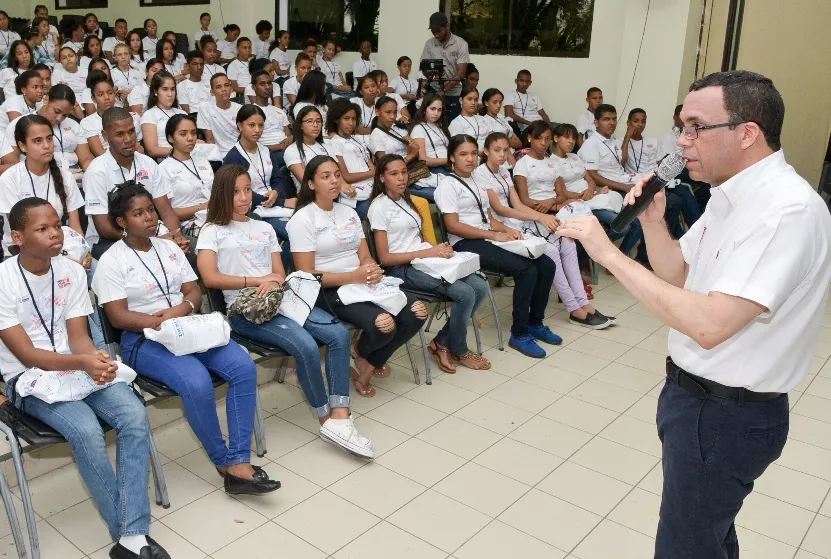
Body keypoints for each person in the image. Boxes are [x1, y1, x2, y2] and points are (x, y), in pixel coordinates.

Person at [558, 69, 831, 559]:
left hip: (728, 412)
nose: (681, 142)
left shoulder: (785, 211)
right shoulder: (729, 196)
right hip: (694, 400)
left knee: (685, 545)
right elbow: (681, 275)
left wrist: (609, 255)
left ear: (746, 133)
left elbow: (710, 324)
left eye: (695, 127)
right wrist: (653, 221)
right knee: (706, 535)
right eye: (681, 127)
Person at [0, 198, 172, 559]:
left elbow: (78, 334)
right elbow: (27, 355)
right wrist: (83, 361)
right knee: (86, 431)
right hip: (29, 377)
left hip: (76, 365)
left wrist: (93, 356)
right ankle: (133, 537)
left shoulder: (72, 271)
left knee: (134, 416)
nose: (55, 234)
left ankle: (130, 538)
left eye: (57, 225)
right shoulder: (2, 280)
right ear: (17, 237)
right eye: (42, 229)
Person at [93, 183, 280, 496]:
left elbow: (194, 291)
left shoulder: (168, 248)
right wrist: (158, 322)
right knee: (196, 383)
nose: (150, 217)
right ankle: (226, 463)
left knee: (242, 367)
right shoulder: (111, 261)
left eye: (151, 209)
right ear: (122, 222)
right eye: (138, 213)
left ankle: (237, 458)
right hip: (144, 339)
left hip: (188, 328)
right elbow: (117, 316)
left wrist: (180, 310)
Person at [197, 164, 373, 455]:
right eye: (235, 192)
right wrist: (259, 280)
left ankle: (341, 415)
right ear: (221, 195)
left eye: (246, 189)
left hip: (280, 298)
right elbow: (210, 278)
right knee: (304, 345)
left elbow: (279, 273)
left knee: (339, 334)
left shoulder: (264, 228)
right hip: (246, 309)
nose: (243, 197)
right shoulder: (212, 231)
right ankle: (325, 418)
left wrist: (272, 280)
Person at [288, 155, 428, 396]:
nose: (334, 181)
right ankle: (364, 369)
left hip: (360, 280)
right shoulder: (303, 218)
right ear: (310, 184)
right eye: (325, 177)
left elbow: (364, 255)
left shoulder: (349, 213)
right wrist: (355, 275)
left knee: (417, 312)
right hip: (326, 289)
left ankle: (365, 359)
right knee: (384, 325)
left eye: (337, 175)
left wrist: (371, 269)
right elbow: (307, 274)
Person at [435, 134, 561, 358]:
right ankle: (519, 334)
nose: (470, 159)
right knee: (527, 270)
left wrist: (505, 230)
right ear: (452, 157)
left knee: (547, 264)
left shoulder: (478, 180)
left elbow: (489, 216)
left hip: (488, 235)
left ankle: (535, 322)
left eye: (473, 153)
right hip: (465, 243)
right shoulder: (447, 185)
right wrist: (493, 234)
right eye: (463, 154)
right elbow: (453, 226)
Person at [369, 154, 492, 372]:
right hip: (400, 269)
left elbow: (417, 239)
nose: (401, 178)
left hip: (423, 261)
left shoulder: (407, 200)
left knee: (481, 287)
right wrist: (429, 253)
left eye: (404, 172)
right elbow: (384, 258)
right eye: (394, 174)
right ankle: (459, 350)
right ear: (381, 178)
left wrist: (437, 251)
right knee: (465, 293)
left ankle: (441, 342)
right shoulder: (379, 207)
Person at [481, 132, 612, 328]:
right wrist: (541, 216)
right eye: (496, 150)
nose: (502, 155)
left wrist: (543, 217)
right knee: (549, 250)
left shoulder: (503, 172)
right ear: (485, 151)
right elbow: (501, 209)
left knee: (566, 242)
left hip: (519, 222)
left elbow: (517, 206)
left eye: (506, 150)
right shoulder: (481, 174)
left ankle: (583, 302)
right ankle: (573, 308)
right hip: (503, 227)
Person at [83, 107, 187, 256]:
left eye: (131, 131)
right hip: (110, 241)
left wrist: (177, 236)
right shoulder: (97, 171)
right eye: (119, 134)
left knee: (192, 253)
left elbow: (166, 211)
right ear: (105, 136)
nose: (128, 139)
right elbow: (104, 228)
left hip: (150, 235)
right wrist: (152, 241)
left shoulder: (148, 163)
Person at [550, 122, 643, 262]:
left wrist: (592, 190)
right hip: (579, 203)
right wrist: (587, 195)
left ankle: (619, 257)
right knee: (622, 227)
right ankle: (595, 250)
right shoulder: (552, 162)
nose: (571, 141)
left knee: (637, 223)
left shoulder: (575, 157)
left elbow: (590, 179)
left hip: (594, 196)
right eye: (566, 137)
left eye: (574, 138)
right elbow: (562, 193)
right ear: (556, 138)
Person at [0, 114, 85, 258]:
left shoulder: (65, 177)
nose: (46, 146)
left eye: (49, 138)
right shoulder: (10, 178)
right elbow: (20, 235)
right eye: (37, 141)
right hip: (22, 254)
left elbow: (75, 228)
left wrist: (82, 253)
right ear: (22, 146)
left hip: (61, 250)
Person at [625, 108, 701, 239]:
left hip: (659, 179)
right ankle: (677, 237)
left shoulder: (652, 141)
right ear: (628, 122)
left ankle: (695, 233)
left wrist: (666, 178)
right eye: (635, 121)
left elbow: (660, 163)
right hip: (640, 183)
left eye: (643, 121)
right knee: (674, 202)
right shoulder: (622, 143)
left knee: (683, 193)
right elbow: (622, 161)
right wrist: (627, 137)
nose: (639, 124)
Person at [4, 84, 91, 169]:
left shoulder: (74, 125)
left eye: (65, 115)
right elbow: (12, 164)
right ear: (46, 100)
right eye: (57, 111)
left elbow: (86, 159)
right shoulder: (19, 124)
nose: (59, 118)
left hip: (75, 172)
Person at [158, 114, 212, 237]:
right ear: (170, 138)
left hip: (213, 215)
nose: (190, 138)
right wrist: (201, 207)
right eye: (183, 134)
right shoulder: (164, 169)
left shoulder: (203, 161)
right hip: (187, 222)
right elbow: (168, 213)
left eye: (193, 133)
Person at [328, 99, 374, 219]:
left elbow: (371, 166)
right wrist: (372, 173)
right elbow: (346, 176)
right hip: (355, 194)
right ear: (337, 120)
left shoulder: (356, 140)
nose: (351, 123)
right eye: (346, 119)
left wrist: (374, 173)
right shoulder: (335, 142)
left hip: (371, 186)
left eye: (354, 119)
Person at [421, 11, 469, 123]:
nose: (436, 35)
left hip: (454, 93)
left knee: (453, 124)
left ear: (447, 26)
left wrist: (443, 90)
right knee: (431, 123)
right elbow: (424, 70)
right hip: (433, 89)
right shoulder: (429, 44)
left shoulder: (461, 44)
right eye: (433, 32)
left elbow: (461, 73)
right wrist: (432, 71)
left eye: (439, 31)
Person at [140, 70, 187, 159]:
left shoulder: (182, 113)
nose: (170, 94)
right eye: (165, 89)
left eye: (173, 89)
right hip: (167, 161)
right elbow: (152, 150)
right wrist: (180, 151)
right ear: (155, 91)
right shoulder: (149, 115)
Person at [284, 105, 330, 188]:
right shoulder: (292, 150)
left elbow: (338, 174)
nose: (315, 125)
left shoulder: (327, 145)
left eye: (318, 121)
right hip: (309, 196)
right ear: (300, 125)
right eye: (310, 121)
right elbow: (306, 182)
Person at [198, 74, 241, 158]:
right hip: (220, 155)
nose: (224, 89)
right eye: (218, 87)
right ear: (212, 92)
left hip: (239, 153)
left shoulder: (240, 109)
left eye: (226, 85)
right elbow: (210, 140)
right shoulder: (205, 108)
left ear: (231, 89)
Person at [249, 69, 292, 154]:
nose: (267, 87)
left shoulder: (279, 111)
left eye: (269, 83)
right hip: (265, 154)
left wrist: (291, 138)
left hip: (287, 151)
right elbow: (250, 143)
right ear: (253, 87)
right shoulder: (250, 112)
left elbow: (289, 135)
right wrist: (277, 147)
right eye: (262, 84)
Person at [409, 92, 451, 178]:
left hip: (448, 166)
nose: (436, 113)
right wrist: (449, 160)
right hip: (433, 170)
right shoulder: (418, 129)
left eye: (439, 110)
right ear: (424, 109)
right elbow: (423, 159)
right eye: (433, 109)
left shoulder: (440, 126)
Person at [0, 70, 43, 135]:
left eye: (41, 87)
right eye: (35, 87)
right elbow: (18, 127)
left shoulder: (39, 105)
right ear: (24, 90)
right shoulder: (14, 101)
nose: (40, 90)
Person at [448, 84, 489, 151]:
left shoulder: (482, 119)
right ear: (461, 100)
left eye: (476, 100)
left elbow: (492, 138)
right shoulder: (456, 123)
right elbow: (457, 148)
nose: (473, 103)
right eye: (469, 99)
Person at [177, 50, 210, 115]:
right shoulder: (182, 86)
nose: (199, 67)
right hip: (193, 118)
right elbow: (186, 111)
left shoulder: (210, 82)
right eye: (195, 64)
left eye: (201, 64)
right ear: (188, 66)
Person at [350, 75, 378, 141]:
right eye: (366, 87)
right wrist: (377, 130)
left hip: (377, 139)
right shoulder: (353, 102)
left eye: (373, 86)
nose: (371, 89)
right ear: (361, 91)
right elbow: (353, 128)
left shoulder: (382, 102)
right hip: (356, 139)